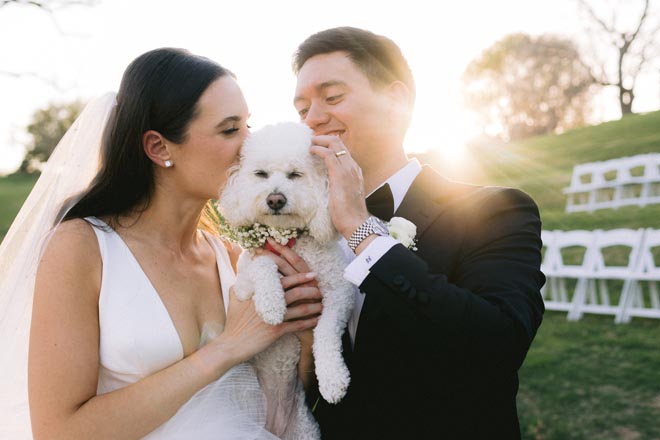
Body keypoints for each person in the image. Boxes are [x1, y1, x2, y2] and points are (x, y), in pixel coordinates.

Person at [0, 47, 321, 439]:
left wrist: (305, 336)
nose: (249, 145)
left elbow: (278, 398)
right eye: (229, 129)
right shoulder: (82, 248)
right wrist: (226, 348)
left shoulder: (234, 256)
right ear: (159, 148)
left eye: (248, 127)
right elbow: (58, 432)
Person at [292, 27, 546, 439]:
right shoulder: (301, 229)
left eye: (332, 97)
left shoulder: (495, 210)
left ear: (397, 100)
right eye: (302, 108)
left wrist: (361, 230)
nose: (313, 119)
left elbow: (497, 346)